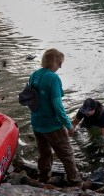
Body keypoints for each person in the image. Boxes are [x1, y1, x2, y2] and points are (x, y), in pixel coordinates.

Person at [29, 48, 81, 186]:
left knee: (44, 153)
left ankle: (43, 178)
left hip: (36, 123)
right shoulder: (53, 78)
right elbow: (58, 106)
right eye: (59, 63)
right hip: (52, 125)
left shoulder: (34, 75)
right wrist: (69, 125)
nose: (60, 66)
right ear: (53, 62)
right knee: (67, 154)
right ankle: (75, 183)